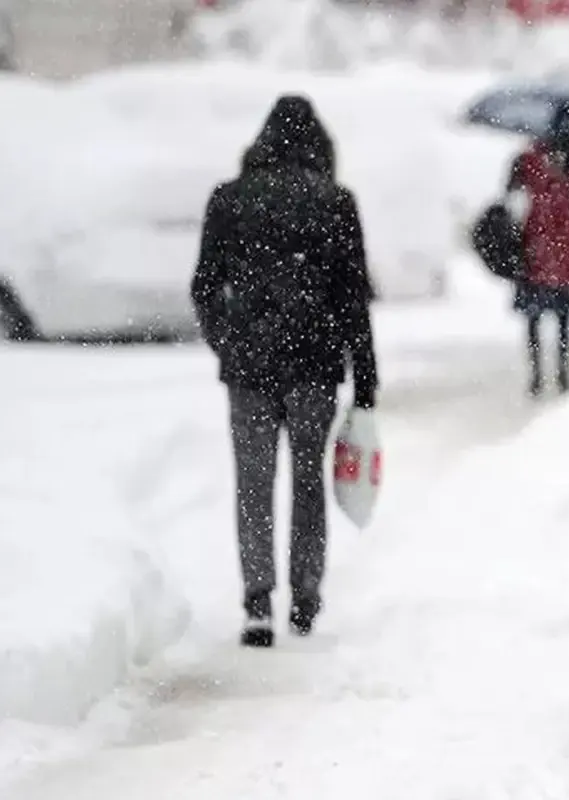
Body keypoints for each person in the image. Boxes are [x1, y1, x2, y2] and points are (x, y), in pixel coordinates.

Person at [190, 95, 378, 648]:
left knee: (253, 481)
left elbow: (204, 286)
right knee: (307, 479)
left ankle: (256, 601)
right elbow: (353, 298)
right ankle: (304, 595)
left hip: (249, 366)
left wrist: (227, 340)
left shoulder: (229, 199)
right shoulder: (335, 202)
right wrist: (364, 373)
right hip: (313, 365)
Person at [507, 99, 569, 397]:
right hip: (543, 242)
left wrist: (564, 171)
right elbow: (512, 189)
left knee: (559, 315)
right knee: (543, 315)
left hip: (553, 242)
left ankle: (556, 372)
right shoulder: (532, 157)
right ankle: (543, 372)